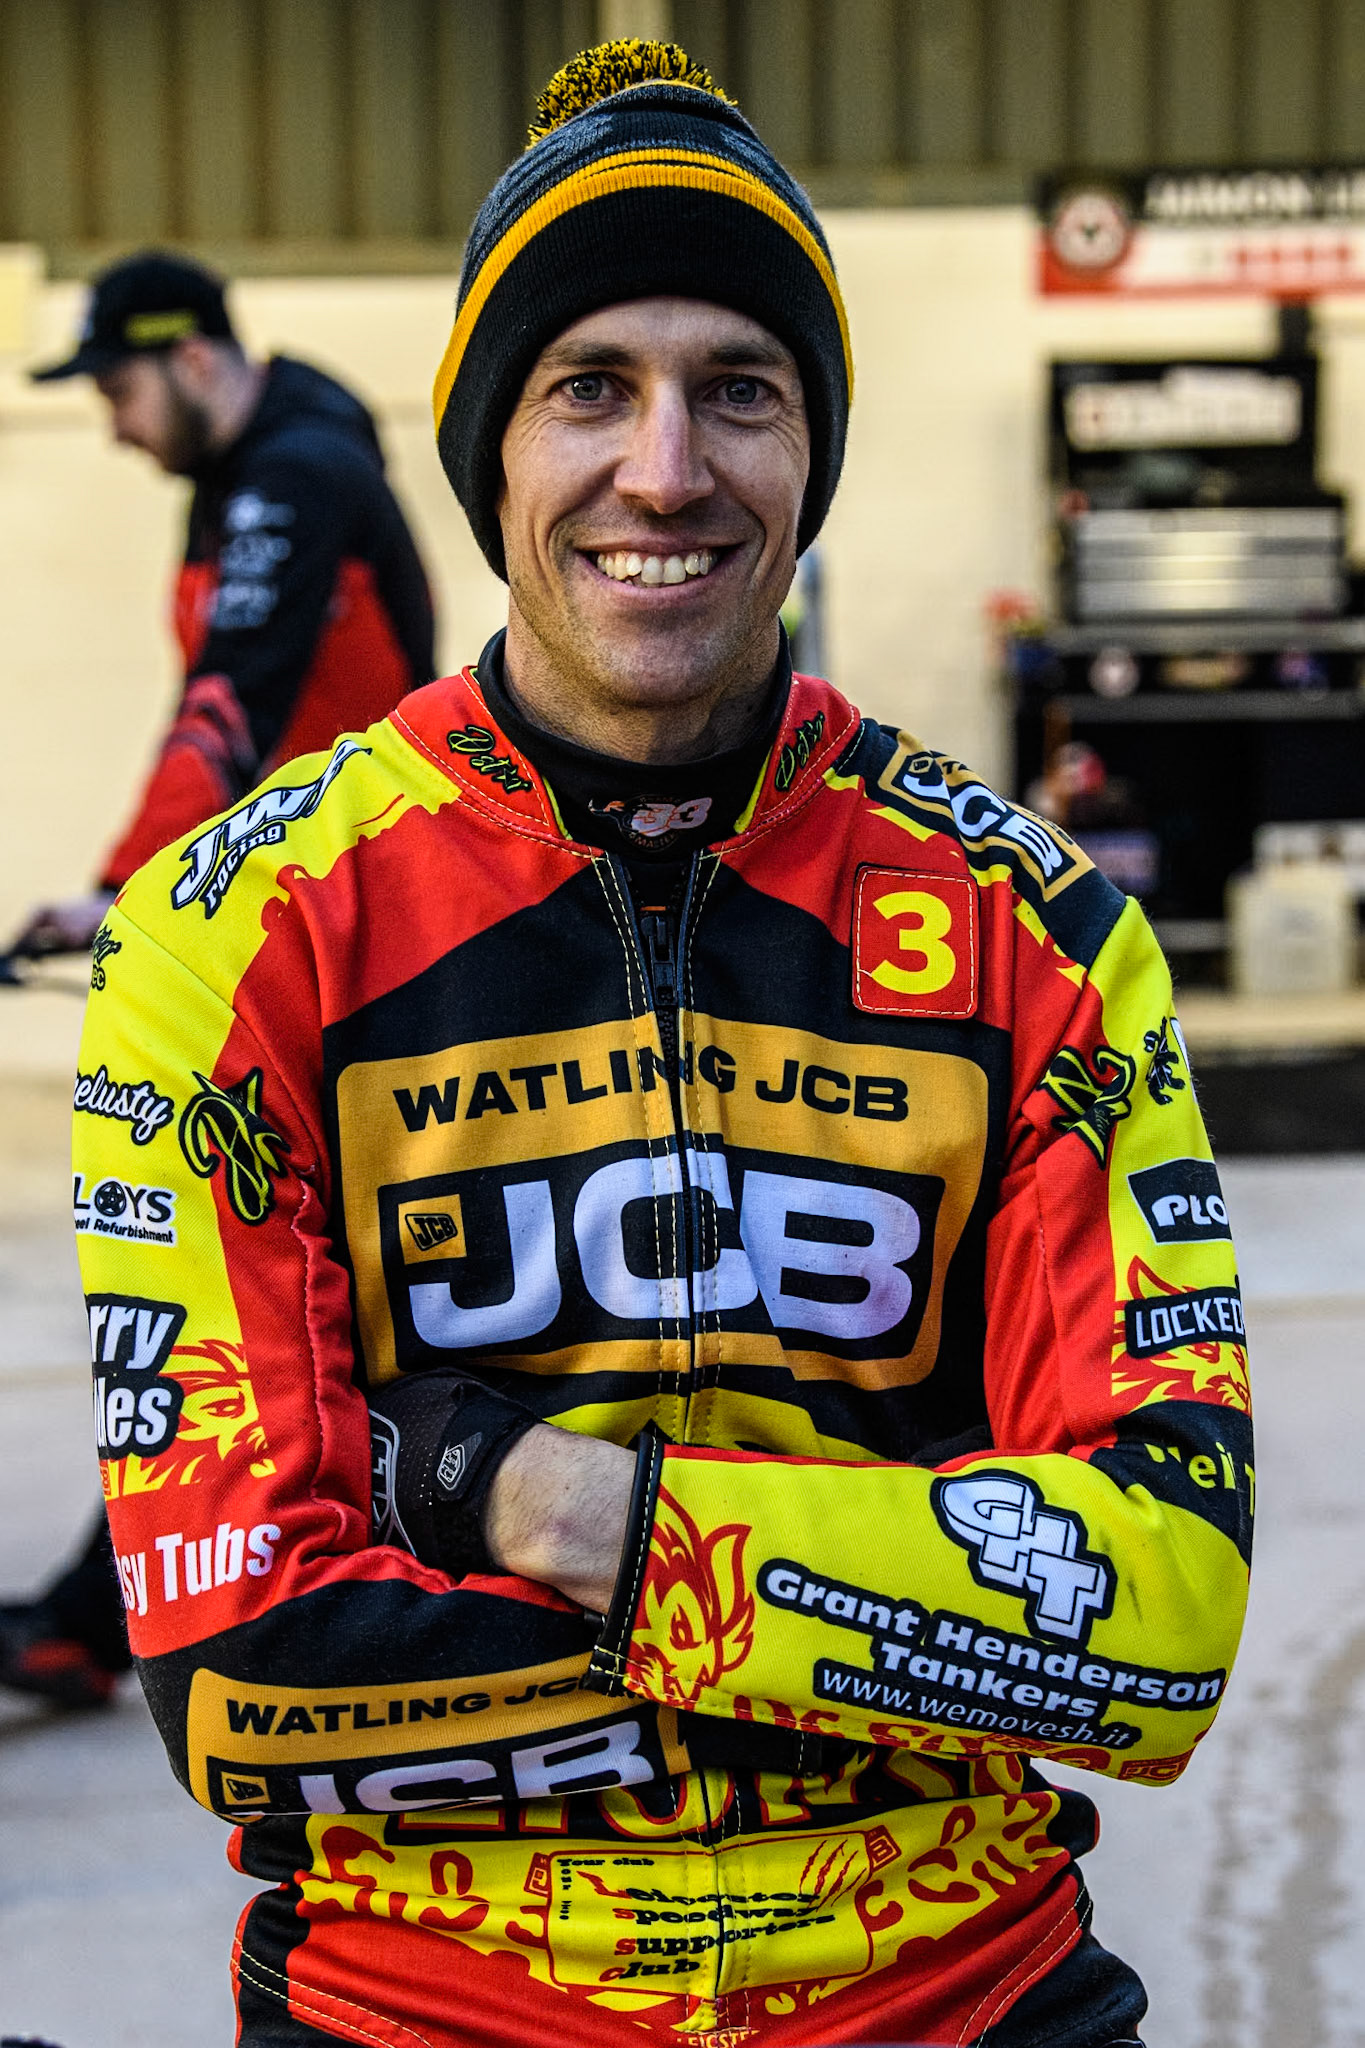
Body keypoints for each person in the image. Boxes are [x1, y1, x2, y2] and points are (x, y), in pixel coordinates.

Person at [71, 40, 1251, 2048]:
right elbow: (242, 1686)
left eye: (740, 388)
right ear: (490, 450)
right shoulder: (231, 932)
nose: (665, 469)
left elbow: (1153, 1628)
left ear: (809, 453)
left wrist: (517, 1494)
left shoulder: (1033, 930)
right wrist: (903, 1609)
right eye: (587, 388)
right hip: (425, 2009)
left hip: (955, 1991)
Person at [2, 249, 435, 1710]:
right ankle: (96, 1606)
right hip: (316, 927)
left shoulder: (287, 477)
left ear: (189, 360)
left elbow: (231, 700)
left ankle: (115, 1608)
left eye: (117, 387)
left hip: (347, 942)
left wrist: (121, 886)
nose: (113, 424)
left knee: (248, 1277)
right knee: (275, 1278)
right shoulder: (265, 458)